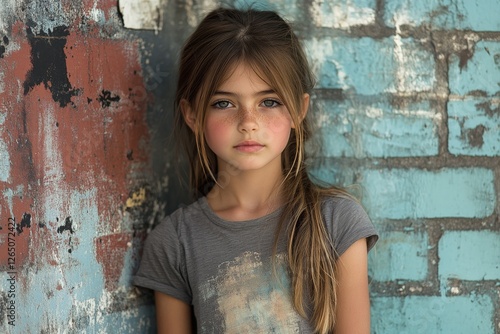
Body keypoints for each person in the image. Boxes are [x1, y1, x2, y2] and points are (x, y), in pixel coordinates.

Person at [133, 7, 378, 334]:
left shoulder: (337, 222)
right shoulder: (174, 243)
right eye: (224, 103)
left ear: (298, 110)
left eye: (269, 101)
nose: (248, 122)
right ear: (192, 115)